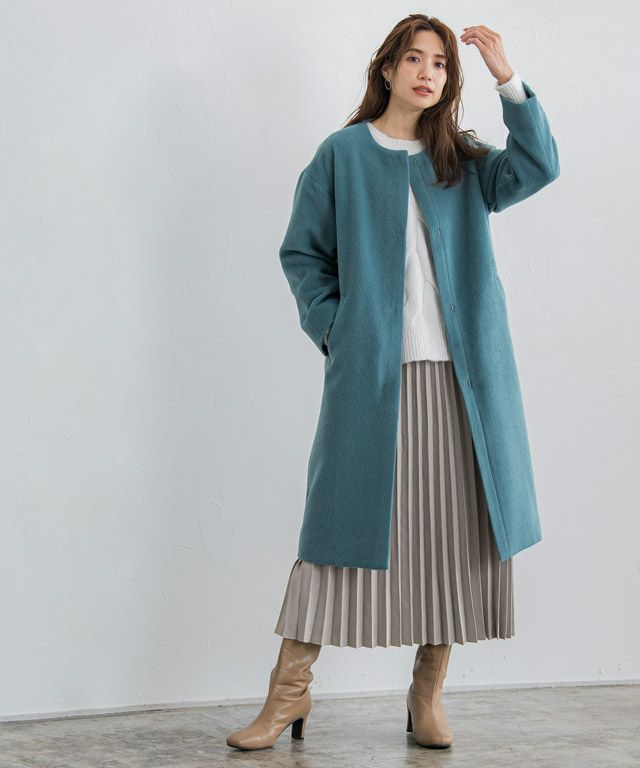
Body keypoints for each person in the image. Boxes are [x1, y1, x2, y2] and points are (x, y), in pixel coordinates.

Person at [227, 13, 559, 752]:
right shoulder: (342, 155)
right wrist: (335, 327)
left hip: (463, 385)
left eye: (440, 63)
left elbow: (538, 168)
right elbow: (302, 254)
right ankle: (288, 693)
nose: (427, 72)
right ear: (386, 69)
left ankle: (427, 692)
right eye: (414, 58)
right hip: (373, 380)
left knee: (451, 537)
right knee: (334, 534)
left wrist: (508, 79)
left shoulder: (462, 161)